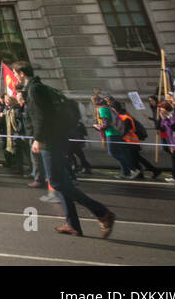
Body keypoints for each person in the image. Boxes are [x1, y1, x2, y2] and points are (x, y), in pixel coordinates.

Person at [15, 62, 115, 238]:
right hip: (55, 139)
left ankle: (102, 212)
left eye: (16, 74)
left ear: (22, 73)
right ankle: (73, 224)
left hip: (49, 141)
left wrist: (37, 138)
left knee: (58, 182)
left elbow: (41, 116)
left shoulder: (34, 90)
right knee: (61, 182)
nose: (16, 77)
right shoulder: (38, 87)